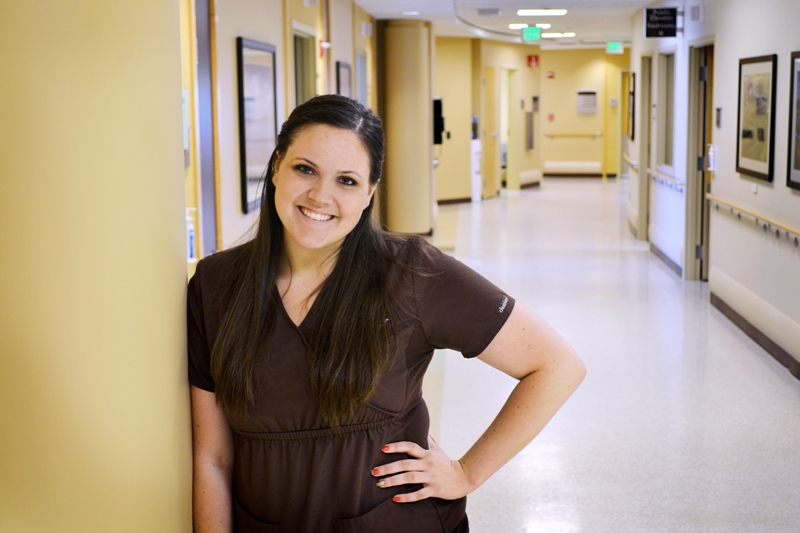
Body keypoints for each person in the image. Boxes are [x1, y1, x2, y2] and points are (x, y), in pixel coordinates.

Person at [188, 95, 586, 533]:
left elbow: (557, 365)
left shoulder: (410, 274)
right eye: (305, 169)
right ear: (277, 166)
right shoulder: (215, 285)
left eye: (347, 180)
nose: (320, 196)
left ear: (370, 193)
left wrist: (466, 472)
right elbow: (212, 458)